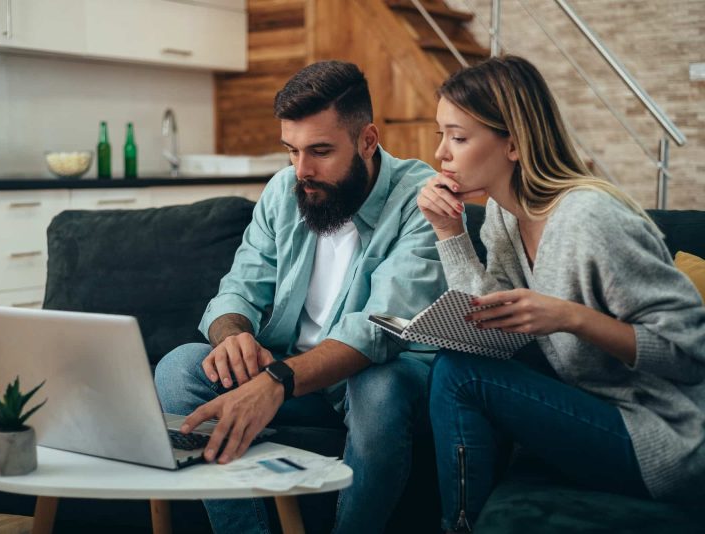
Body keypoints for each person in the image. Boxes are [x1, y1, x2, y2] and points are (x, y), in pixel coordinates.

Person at [154, 60, 447, 534]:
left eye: (321, 151)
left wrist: (274, 382)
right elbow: (237, 292)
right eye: (291, 151)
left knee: (380, 387)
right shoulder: (284, 191)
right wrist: (233, 336)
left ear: (368, 140)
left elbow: (377, 330)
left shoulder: (420, 199)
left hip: (371, 376)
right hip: (294, 374)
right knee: (179, 367)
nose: (302, 170)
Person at [417, 55, 705, 533]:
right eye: (441, 135)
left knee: (460, 375)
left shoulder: (590, 219)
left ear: (513, 143)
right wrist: (449, 233)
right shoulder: (504, 218)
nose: (442, 155)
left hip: (665, 438)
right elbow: (494, 326)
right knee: (452, 364)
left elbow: (691, 350)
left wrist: (571, 317)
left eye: (459, 137)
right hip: (596, 409)